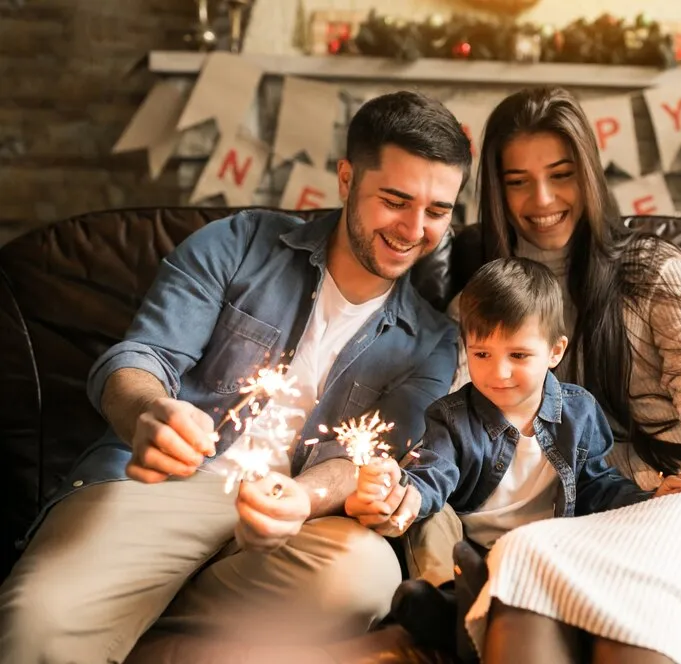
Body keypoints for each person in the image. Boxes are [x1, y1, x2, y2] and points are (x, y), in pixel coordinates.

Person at [0, 90, 473, 664]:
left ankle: (129, 624)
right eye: (395, 200)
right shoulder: (238, 243)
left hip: (295, 515)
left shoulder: (433, 340)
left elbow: (373, 456)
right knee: (37, 626)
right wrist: (148, 411)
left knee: (365, 577)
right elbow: (141, 357)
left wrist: (304, 496)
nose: (413, 229)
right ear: (347, 179)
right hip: (166, 488)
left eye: (437, 211)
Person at [448, 86, 681, 663]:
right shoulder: (481, 298)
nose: (543, 198)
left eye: (561, 173)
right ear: (496, 189)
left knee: (618, 605)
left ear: (589, 173)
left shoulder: (649, 270)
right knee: (522, 556)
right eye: (517, 180)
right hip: (615, 513)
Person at [345, 257, 681, 654]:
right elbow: (434, 472)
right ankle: (447, 598)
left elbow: (598, 484)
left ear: (554, 351)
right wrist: (404, 492)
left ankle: (505, 604)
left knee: (602, 533)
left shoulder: (578, 411)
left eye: (518, 356)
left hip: (545, 545)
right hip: (469, 553)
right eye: (482, 355)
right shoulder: (451, 416)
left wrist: (648, 498)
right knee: (433, 517)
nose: (498, 373)